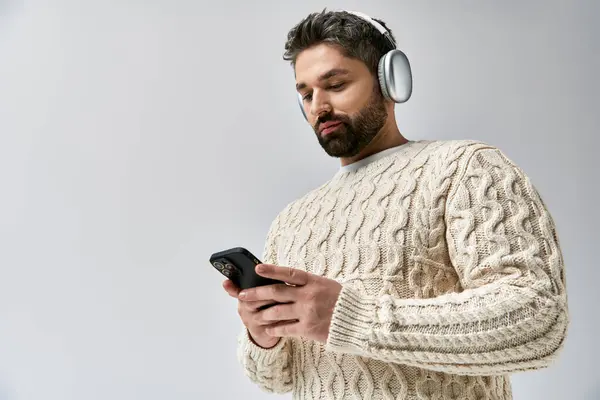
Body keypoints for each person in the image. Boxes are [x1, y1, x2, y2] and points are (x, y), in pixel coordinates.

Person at [222, 9, 569, 400]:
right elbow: (278, 380)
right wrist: (261, 336)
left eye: (335, 84)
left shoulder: (465, 169)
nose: (318, 106)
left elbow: (539, 320)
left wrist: (354, 318)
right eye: (306, 94)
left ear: (390, 80)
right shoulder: (291, 220)